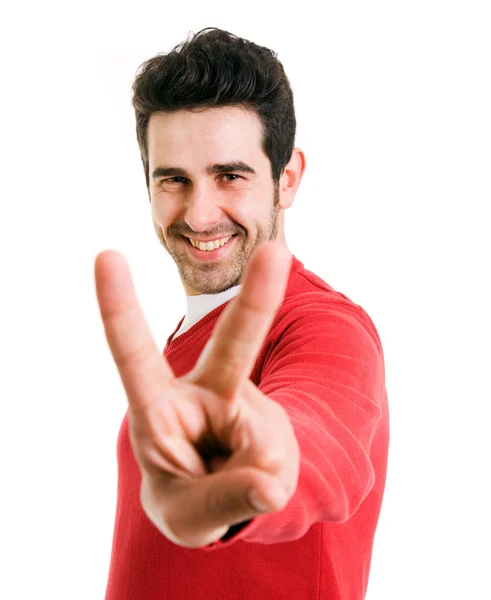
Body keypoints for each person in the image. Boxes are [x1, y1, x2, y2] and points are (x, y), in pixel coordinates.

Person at [95, 27, 390, 600]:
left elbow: (322, 439)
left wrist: (252, 462)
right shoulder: (189, 335)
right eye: (173, 180)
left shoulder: (326, 328)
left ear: (287, 178)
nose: (200, 215)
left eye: (230, 175)